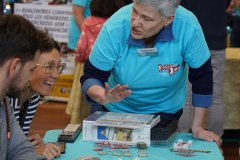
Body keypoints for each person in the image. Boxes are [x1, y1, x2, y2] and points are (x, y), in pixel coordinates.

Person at [80, 0, 222, 146]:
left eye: (146, 19)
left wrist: (197, 127)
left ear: (168, 19)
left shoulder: (187, 25)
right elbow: (91, 76)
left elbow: (202, 77)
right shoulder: (115, 26)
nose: (135, 22)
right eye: (134, 11)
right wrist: (102, 95)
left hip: (165, 113)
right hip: (116, 112)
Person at [0, 13, 51, 159]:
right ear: (14, 66)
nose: (30, 77)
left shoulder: (4, 101)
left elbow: (20, 148)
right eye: (31, 69)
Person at [66, 0, 126, 122]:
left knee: (92, 94)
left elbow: (82, 46)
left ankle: (91, 121)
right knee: (108, 91)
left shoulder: (88, 22)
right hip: (111, 68)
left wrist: (79, 58)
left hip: (88, 63)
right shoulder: (116, 25)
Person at [9, 41, 66, 160]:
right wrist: (31, 151)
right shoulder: (7, 98)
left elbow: (13, 144)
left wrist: (28, 144)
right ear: (28, 66)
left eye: (59, 67)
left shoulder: (33, 97)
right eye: (49, 67)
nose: (56, 75)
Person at [178, 0, 227, 138]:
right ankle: (215, 139)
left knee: (185, 93)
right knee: (216, 93)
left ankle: (181, 138)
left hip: (189, 36)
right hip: (216, 36)